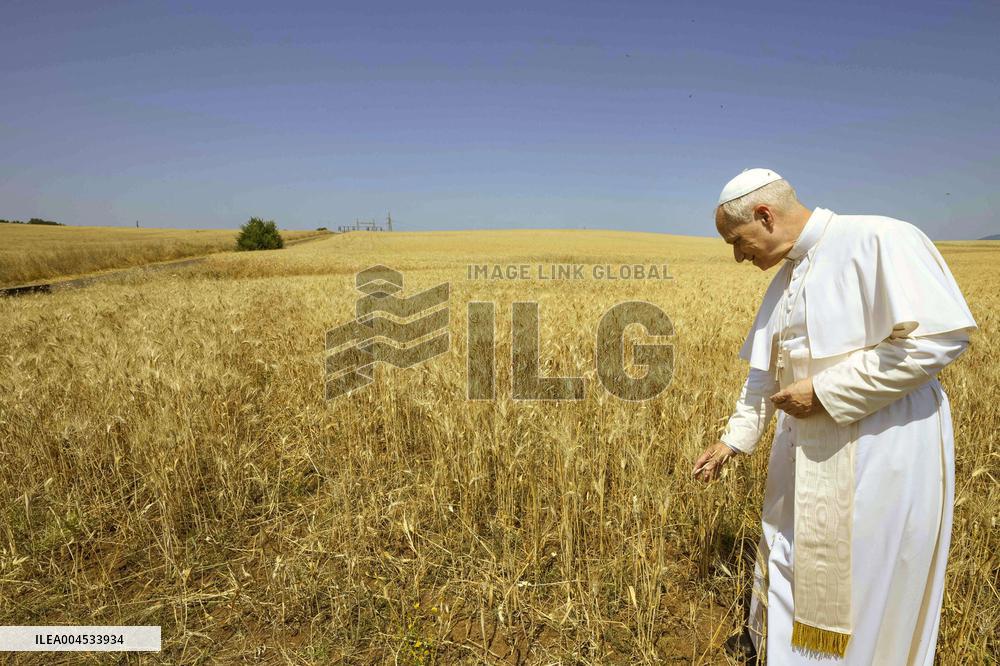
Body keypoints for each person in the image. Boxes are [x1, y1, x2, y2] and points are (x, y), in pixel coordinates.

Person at [692, 169, 977, 664]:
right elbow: (766, 371)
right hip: (803, 444)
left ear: (765, 215)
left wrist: (824, 392)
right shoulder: (787, 275)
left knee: (859, 578)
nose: (738, 256)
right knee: (790, 556)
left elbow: (940, 338)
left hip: (879, 444)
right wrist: (733, 440)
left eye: (738, 241)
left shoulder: (880, 237)